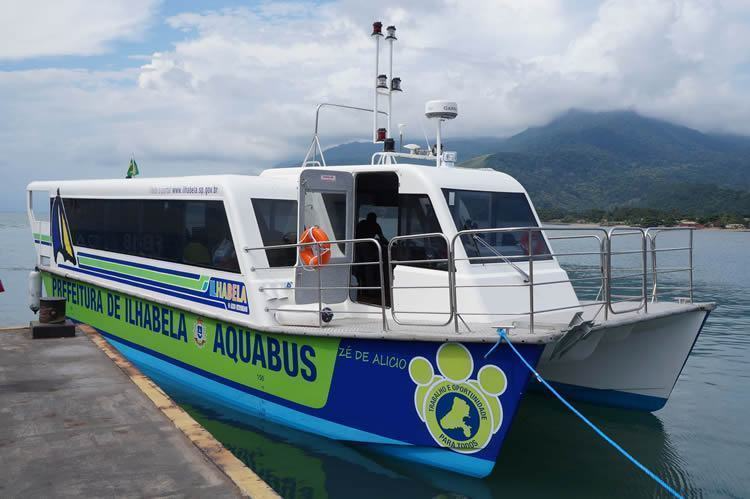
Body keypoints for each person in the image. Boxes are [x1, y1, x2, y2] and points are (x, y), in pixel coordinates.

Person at [354, 212, 388, 303]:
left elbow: (381, 237)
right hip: (364, 248)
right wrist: (389, 245)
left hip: (358, 248)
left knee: (366, 268)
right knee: (370, 268)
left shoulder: (363, 224)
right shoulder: (372, 224)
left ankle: (367, 290)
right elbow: (382, 238)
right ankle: (370, 291)